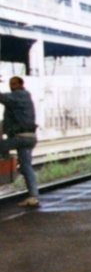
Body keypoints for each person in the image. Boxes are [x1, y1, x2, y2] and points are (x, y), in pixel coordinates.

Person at [0, 75, 40, 208]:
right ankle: (33, 197)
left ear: (20, 84)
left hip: (21, 138)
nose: (12, 86)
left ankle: (5, 156)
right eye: (11, 83)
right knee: (26, 167)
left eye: (14, 83)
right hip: (30, 138)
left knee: (2, 147)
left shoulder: (18, 95)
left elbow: (2, 98)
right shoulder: (26, 96)